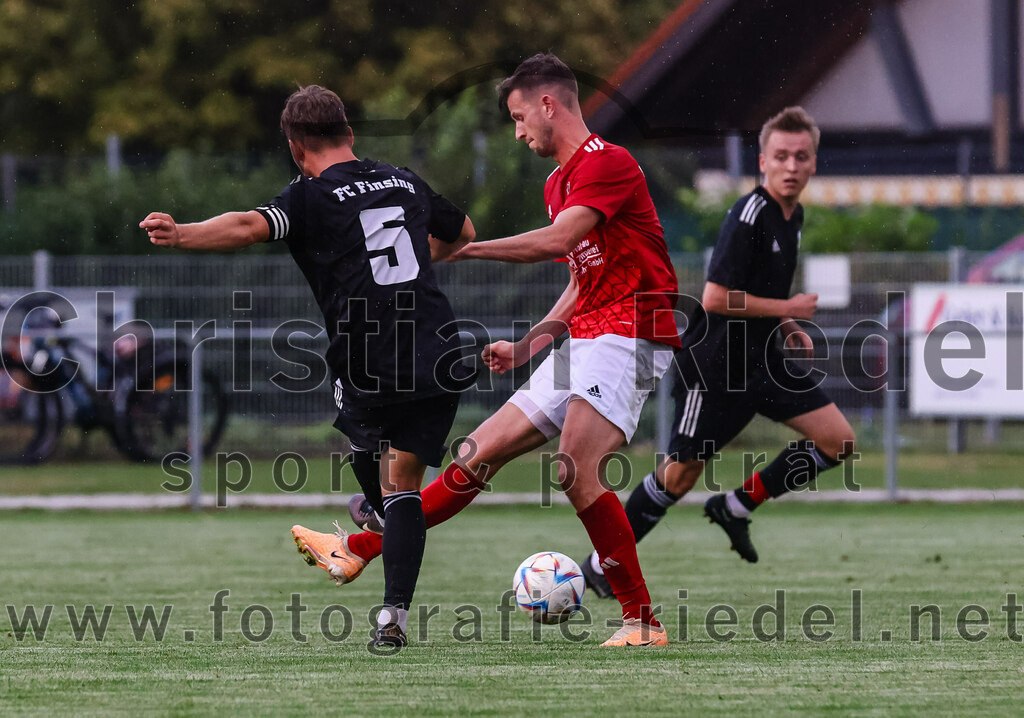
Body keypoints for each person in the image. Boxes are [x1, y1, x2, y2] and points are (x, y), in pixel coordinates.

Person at [336, 52, 681, 647]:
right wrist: (529, 346)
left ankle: (641, 623)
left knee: (575, 469)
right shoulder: (557, 181)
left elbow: (559, 240)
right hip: (593, 329)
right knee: (476, 451)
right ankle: (361, 548)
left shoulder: (609, 162)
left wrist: (464, 250)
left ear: (550, 104)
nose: (518, 132)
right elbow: (581, 277)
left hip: (632, 330)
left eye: (520, 117)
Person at [139, 85, 476, 649]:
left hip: (372, 355)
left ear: (296, 148)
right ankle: (392, 617)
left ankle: (377, 517)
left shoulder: (310, 195)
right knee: (405, 488)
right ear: (350, 135)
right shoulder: (402, 179)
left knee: (383, 478)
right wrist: (415, 262)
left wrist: (182, 235)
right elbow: (462, 234)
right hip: (438, 349)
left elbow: (249, 226)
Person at [581, 107, 858, 598]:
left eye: (801, 156)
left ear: (814, 162)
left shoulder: (792, 215)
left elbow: (756, 286)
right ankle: (600, 566)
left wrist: (786, 320)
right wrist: (789, 306)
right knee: (679, 476)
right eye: (782, 156)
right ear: (763, 161)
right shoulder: (748, 214)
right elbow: (713, 297)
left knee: (838, 441)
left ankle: (737, 506)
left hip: (765, 362)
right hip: (716, 369)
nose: (792, 166)